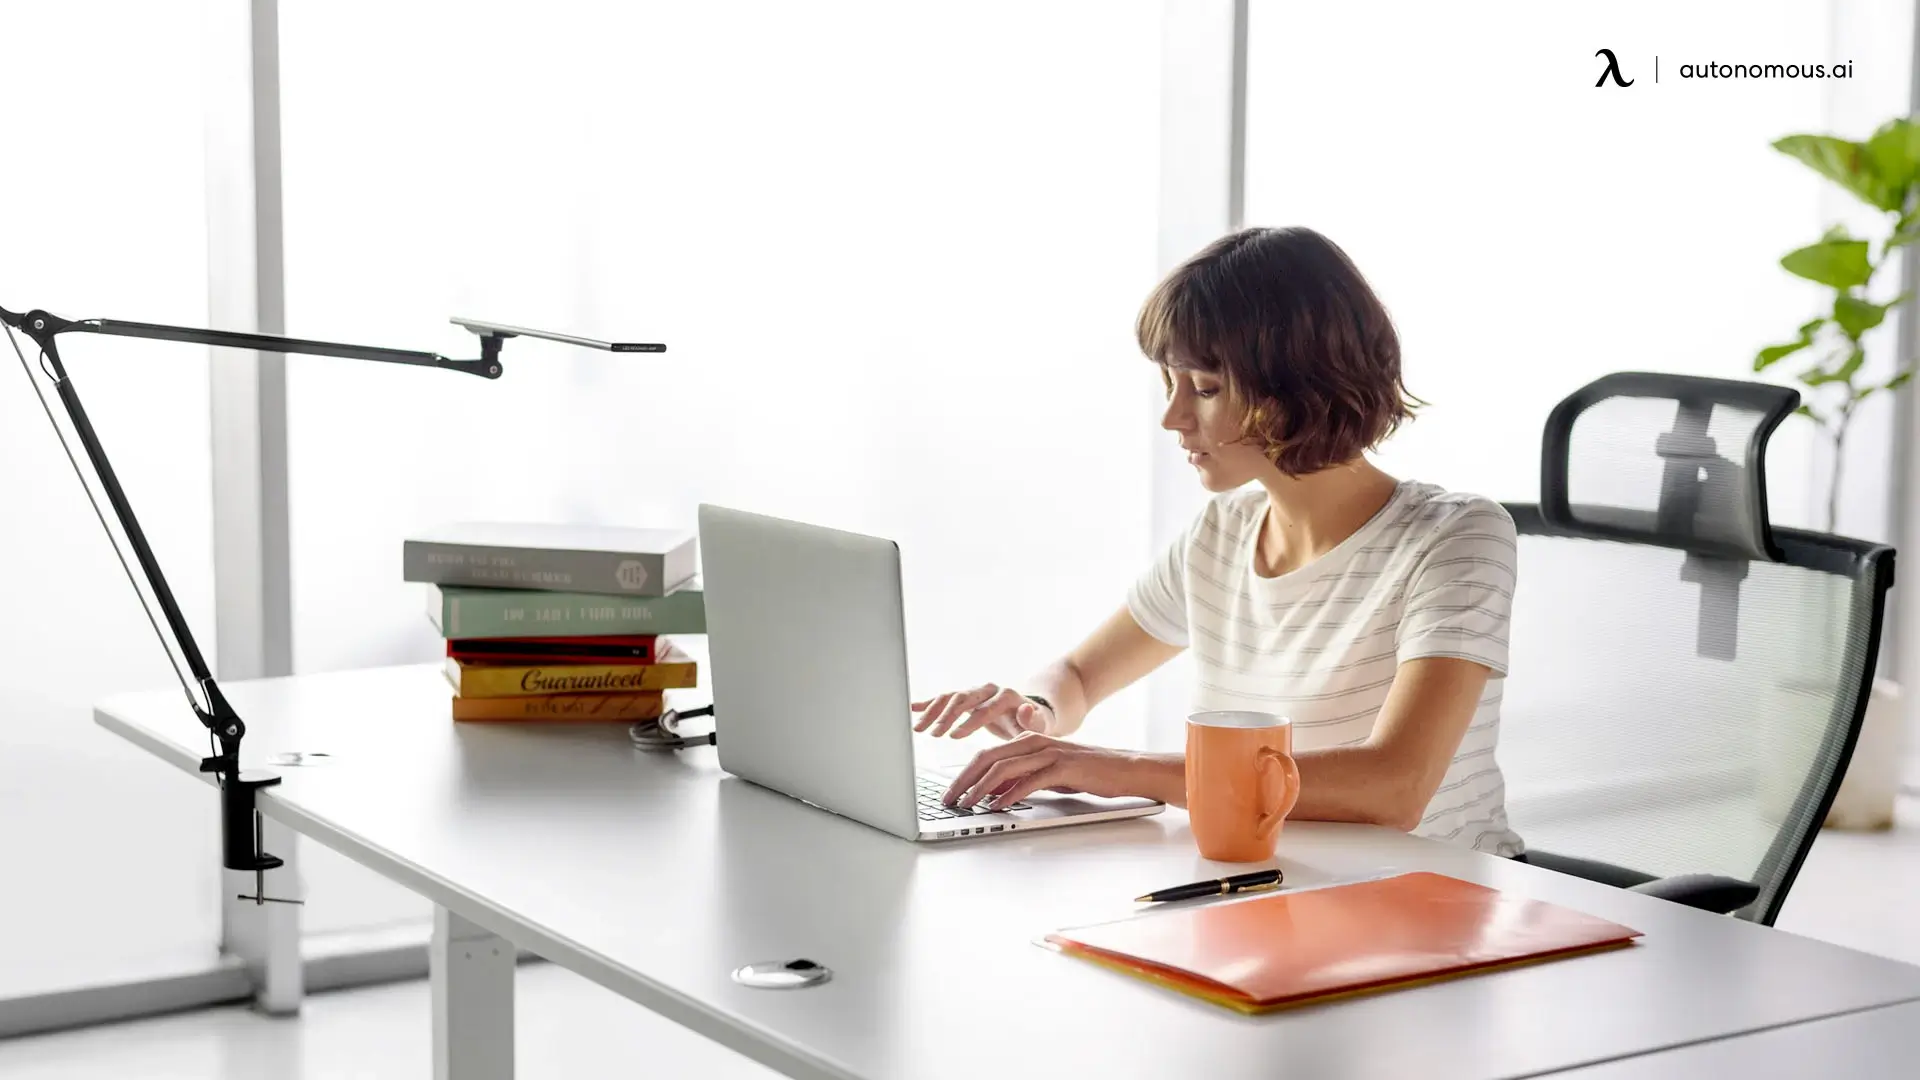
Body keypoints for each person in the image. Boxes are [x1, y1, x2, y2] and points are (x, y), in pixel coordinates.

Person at [912, 226, 1523, 857]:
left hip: (1432, 901)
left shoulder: (1456, 537)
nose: (1173, 418)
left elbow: (1394, 787)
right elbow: (1078, 677)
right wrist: (1036, 711)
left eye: (1204, 389)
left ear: (1301, 384)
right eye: (1170, 385)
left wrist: (1114, 768)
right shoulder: (1222, 532)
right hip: (1273, 880)